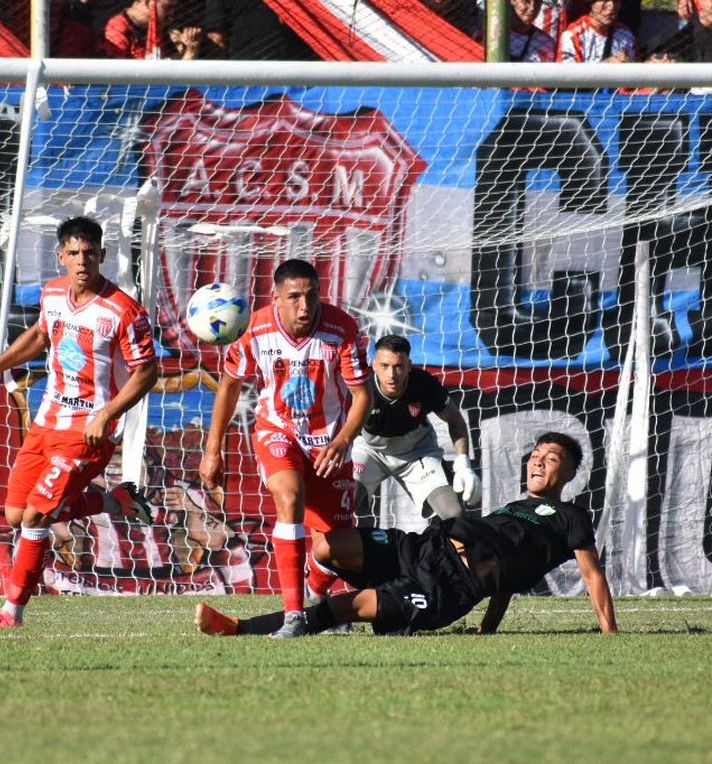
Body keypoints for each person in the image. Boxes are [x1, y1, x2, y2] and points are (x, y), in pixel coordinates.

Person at [194, 432, 618, 637]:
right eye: (536, 455)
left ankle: (238, 628)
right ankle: (376, 600)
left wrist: (609, 634)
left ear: (570, 472)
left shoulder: (569, 517)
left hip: (446, 585)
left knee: (344, 607)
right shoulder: (512, 509)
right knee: (329, 544)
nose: (539, 462)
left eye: (552, 457)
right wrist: (489, 629)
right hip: (422, 546)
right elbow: (505, 582)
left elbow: (593, 577)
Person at [0, 216, 159, 629]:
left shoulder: (124, 311)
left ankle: (11, 612)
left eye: (90, 252)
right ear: (61, 257)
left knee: (36, 517)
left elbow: (147, 372)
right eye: (73, 253)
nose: (82, 260)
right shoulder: (53, 294)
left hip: (87, 432)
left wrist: (106, 414)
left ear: (103, 255)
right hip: (46, 423)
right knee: (16, 515)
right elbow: (40, 335)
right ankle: (115, 501)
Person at [199, 259, 372, 638]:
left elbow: (362, 395)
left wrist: (343, 442)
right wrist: (213, 448)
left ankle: (318, 603)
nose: (304, 306)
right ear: (275, 297)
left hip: (330, 443)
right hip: (279, 432)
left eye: (311, 295)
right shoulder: (254, 328)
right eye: (294, 297)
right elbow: (229, 387)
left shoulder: (341, 329)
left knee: (334, 547)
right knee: (289, 497)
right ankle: (294, 615)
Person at [354, 335, 481, 524]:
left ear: (409, 365)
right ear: (373, 365)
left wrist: (463, 463)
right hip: (370, 451)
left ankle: (450, 553)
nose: (392, 375)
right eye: (385, 366)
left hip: (417, 452)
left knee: (454, 514)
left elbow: (456, 421)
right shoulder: (360, 386)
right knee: (344, 501)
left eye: (399, 366)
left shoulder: (424, 384)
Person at [557, 0, 639, 63]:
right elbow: (566, 79)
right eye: (604, 0)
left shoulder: (626, 34)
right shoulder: (573, 35)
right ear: (592, 4)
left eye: (616, 0)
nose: (612, 6)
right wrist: (606, 67)